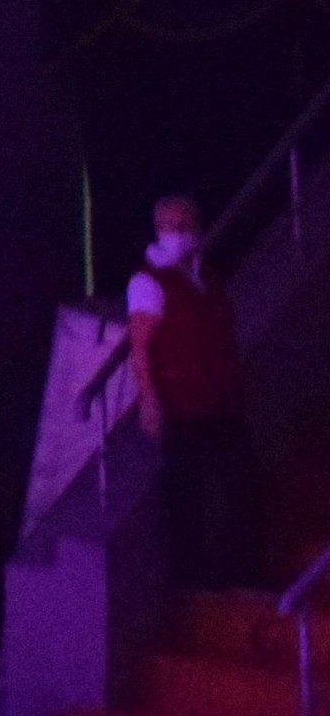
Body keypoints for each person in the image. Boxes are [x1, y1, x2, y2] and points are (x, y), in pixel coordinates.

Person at [129, 194, 254, 592]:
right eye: (171, 225)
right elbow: (141, 346)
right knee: (186, 497)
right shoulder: (148, 282)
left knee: (239, 488)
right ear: (158, 229)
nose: (179, 233)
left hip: (222, 401)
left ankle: (238, 573)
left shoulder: (207, 279)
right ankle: (192, 583)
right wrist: (150, 401)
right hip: (181, 405)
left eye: (185, 224)